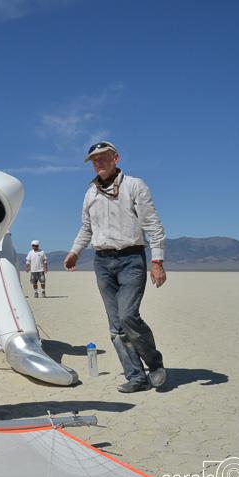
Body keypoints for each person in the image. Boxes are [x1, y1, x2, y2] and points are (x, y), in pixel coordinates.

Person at [63, 141, 167, 393]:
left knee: (128, 316)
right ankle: (136, 377)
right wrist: (75, 251)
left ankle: (154, 363)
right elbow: (86, 228)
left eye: (103, 157)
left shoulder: (134, 186)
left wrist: (157, 261)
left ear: (116, 158)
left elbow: (153, 225)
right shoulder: (90, 194)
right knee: (116, 326)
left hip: (131, 259)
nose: (98, 163)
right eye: (94, 160)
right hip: (103, 262)